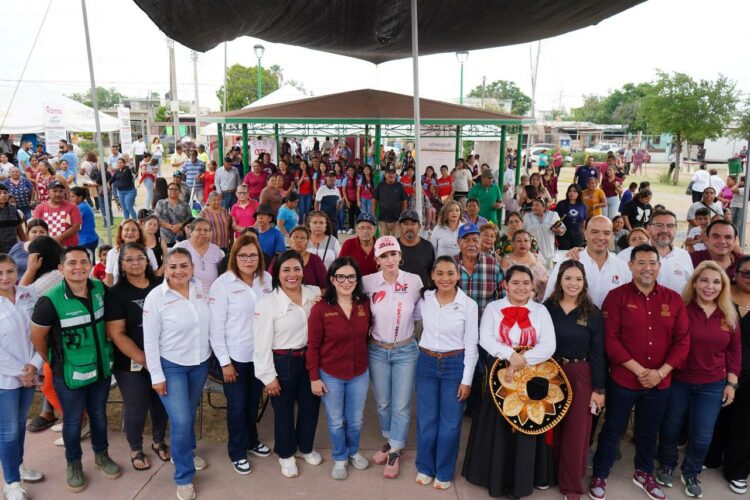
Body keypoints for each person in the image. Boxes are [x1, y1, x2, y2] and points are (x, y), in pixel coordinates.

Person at [588, 244, 690, 500]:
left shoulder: (673, 299)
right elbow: (610, 340)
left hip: (659, 383)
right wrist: (640, 370)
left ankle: (643, 473)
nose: (647, 268)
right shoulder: (616, 297)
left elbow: (683, 342)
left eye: (652, 263)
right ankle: (600, 473)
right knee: (613, 429)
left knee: (648, 431)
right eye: (641, 262)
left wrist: (660, 373)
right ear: (630, 266)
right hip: (623, 380)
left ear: (659, 266)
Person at [30, 246, 122, 493]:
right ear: (61, 268)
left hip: (101, 369)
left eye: (84, 262)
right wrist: (52, 360)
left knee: (99, 414)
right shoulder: (49, 301)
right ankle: (74, 464)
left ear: (90, 265)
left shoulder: (100, 289)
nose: (79, 267)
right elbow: (37, 337)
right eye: (72, 263)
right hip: (68, 374)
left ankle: (102, 455)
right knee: (72, 420)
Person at [462, 265, 556, 498]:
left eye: (526, 283)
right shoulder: (494, 308)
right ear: (505, 285)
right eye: (515, 282)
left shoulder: (540, 311)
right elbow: (485, 338)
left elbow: (549, 345)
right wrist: (509, 355)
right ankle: (494, 478)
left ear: (532, 285)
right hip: (499, 376)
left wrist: (521, 359)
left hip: (531, 378)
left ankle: (520, 482)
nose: (521, 287)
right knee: (498, 427)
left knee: (525, 427)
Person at [654, 261, 740, 498]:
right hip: (679, 380)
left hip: (713, 384)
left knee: (702, 435)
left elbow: (734, 350)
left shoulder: (729, 313)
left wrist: (731, 383)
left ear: (723, 286)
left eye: (716, 282)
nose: (710, 286)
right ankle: (666, 464)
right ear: (694, 283)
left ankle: (691, 472)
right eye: (704, 280)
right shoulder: (681, 308)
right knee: (670, 428)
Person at [143, 248, 210, 500]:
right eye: (172, 266)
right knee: (181, 420)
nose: (179, 271)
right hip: (171, 365)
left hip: (200, 362)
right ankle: (184, 476)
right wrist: (156, 376)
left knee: (188, 413)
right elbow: (150, 341)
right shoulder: (155, 298)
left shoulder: (200, 288)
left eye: (184, 266)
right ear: (165, 269)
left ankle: (187, 453)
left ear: (192, 267)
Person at [253, 250, 323, 478]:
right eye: (286, 270)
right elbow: (261, 343)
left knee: (310, 406)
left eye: (296, 269)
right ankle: (286, 453)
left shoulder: (314, 293)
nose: (292, 274)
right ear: (277, 273)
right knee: (283, 411)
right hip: (283, 361)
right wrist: (268, 377)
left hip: (310, 360)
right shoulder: (267, 303)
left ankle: (305, 447)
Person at [209, 235, 273, 476]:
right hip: (234, 357)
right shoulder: (222, 284)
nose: (248, 260)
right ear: (234, 257)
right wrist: (225, 362)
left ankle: (251, 440)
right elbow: (215, 328)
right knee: (237, 405)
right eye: (243, 255)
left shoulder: (266, 279)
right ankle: (236, 451)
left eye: (253, 255)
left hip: (260, 355)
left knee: (253, 401)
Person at [542, 260, 606, 499]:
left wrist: (599, 389)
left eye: (578, 279)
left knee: (576, 430)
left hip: (581, 374)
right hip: (550, 372)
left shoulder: (592, 312)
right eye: (568, 278)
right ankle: (547, 474)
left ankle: (570, 484)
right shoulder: (547, 308)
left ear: (584, 283)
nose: (573, 283)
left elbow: (598, 353)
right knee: (550, 425)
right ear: (559, 280)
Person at [104, 242, 170, 472]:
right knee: (136, 404)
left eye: (140, 258)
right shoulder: (116, 293)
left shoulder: (161, 285)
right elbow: (116, 333)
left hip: (163, 357)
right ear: (121, 264)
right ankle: (135, 447)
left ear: (147, 260)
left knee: (161, 402)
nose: (135, 263)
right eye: (129, 259)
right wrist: (144, 359)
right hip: (131, 361)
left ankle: (159, 440)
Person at [415, 256, 478, 490]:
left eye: (450, 273)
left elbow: (471, 345)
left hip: (455, 365)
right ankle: (425, 466)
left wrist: (467, 380)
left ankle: (443, 470)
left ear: (458, 275)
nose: (445, 278)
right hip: (426, 363)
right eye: (439, 273)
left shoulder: (468, 305)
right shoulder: (425, 299)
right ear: (432, 275)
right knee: (426, 419)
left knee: (450, 422)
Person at [306, 257, 372, 480]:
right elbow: (313, 346)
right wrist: (314, 377)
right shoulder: (320, 308)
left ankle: (353, 451)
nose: (346, 281)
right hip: (330, 374)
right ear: (332, 279)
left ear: (357, 279)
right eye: (341, 277)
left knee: (355, 419)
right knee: (335, 420)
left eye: (351, 276)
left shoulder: (364, 304)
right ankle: (340, 457)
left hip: (359, 373)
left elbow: (369, 335)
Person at [364, 236, 423, 479]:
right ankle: (390, 441)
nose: (389, 259)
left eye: (393, 254)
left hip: (406, 351)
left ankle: (396, 449)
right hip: (377, 350)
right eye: (384, 255)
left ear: (400, 256)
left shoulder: (414, 281)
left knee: (401, 404)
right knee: (383, 403)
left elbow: (419, 315)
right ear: (377, 260)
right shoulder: (367, 282)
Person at [0, 254, 45, 500]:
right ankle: (11, 483)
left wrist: (34, 365)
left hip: (30, 372)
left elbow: (39, 333)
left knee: (19, 426)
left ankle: (17, 467)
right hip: (6, 379)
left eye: (9, 271)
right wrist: (22, 372)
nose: (5, 278)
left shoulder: (28, 294)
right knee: (7, 431)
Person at [704, 255, 750, 494]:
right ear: (735, 274)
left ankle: (737, 471)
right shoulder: (720, 296)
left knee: (744, 424)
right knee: (715, 416)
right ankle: (710, 458)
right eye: (746, 273)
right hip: (717, 368)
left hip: (749, 373)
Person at [545, 216, 632, 307]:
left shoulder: (622, 267)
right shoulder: (568, 261)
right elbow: (549, 299)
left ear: (611, 236)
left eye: (606, 233)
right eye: (595, 232)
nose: (601, 237)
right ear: (585, 234)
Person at [617, 210, 694, 294]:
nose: (665, 230)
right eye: (659, 225)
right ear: (648, 228)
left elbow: (690, 290)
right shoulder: (626, 255)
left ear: (676, 229)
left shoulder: (684, 256)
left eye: (670, 226)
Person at [175, 218, 225, 293]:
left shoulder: (216, 250)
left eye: (206, 230)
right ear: (191, 232)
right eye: (198, 229)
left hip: (212, 295)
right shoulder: (181, 247)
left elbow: (222, 274)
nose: (203, 233)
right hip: (187, 295)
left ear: (210, 233)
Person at [104, 219, 159, 287]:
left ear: (139, 234)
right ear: (121, 234)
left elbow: (155, 274)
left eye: (134, 230)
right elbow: (109, 280)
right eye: (126, 230)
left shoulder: (148, 251)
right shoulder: (112, 253)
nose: (130, 232)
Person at [500, 230, 548, 300]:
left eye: (526, 240)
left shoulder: (537, 258)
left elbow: (545, 282)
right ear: (512, 243)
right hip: (513, 299)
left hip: (536, 300)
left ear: (530, 243)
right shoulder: (507, 260)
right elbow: (503, 284)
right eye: (519, 241)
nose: (523, 243)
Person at [33, 180, 82, 247]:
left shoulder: (72, 207)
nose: (58, 194)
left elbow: (76, 227)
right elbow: (36, 227)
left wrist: (59, 238)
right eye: (55, 191)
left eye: (61, 191)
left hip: (69, 247)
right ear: (48, 192)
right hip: (48, 246)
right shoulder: (40, 208)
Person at [524, 198, 565, 268]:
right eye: (533, 205)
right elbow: (522, 232)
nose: (534, 207)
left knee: (549, 272)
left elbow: (563, 229)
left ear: (544, 207)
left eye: (537, 205)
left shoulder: (553, 215)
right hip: (533, 253)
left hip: (549, 253)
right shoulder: (527, 216)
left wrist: (558, 231)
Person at [398, 209, 435, 286]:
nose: (409, 227)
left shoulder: (428, 247)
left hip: (423, 292)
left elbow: (433, 273)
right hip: (397, 292)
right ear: (399, 226)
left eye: (413, 223)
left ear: (419, 227)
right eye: (405, 223)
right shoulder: (393, 246)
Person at [339, 212, 378, 276]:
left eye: (369, 228)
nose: (365, 231)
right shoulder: (348, 244)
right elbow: (340, 267)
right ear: (356, 229)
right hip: (354, 281)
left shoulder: (380, 245)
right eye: (362, 227)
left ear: (375, 229)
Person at [374, 167, 408, 237]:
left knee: (397, 240)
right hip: (383, 219)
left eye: (393, 173)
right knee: (384, 241)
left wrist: (403, 215)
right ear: (385, 175)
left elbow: (404, 200)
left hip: (397, 220)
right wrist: (373, 213)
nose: (391, 175)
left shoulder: (399, 186)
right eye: (389, 173)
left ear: (395, 175)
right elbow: (374, 199)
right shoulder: (380, 186)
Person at [555, 184, 587, 250]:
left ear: (579, 193)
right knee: (564, 254)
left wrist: (583, 232)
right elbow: (555, 219)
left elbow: (584, 219)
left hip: (578, 234)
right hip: (564, 234)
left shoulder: (582, 205)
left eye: (575, 191)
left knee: (577, 254)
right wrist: (556, 234)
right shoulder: (561, 204)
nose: (572, 193)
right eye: (570, 191)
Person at [0, 184, 24, 254]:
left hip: (13, 248)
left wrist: (25, 244)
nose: (3, 195)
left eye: (5, 192)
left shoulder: (13, 209)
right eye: (0, 193)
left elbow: (19, 229)